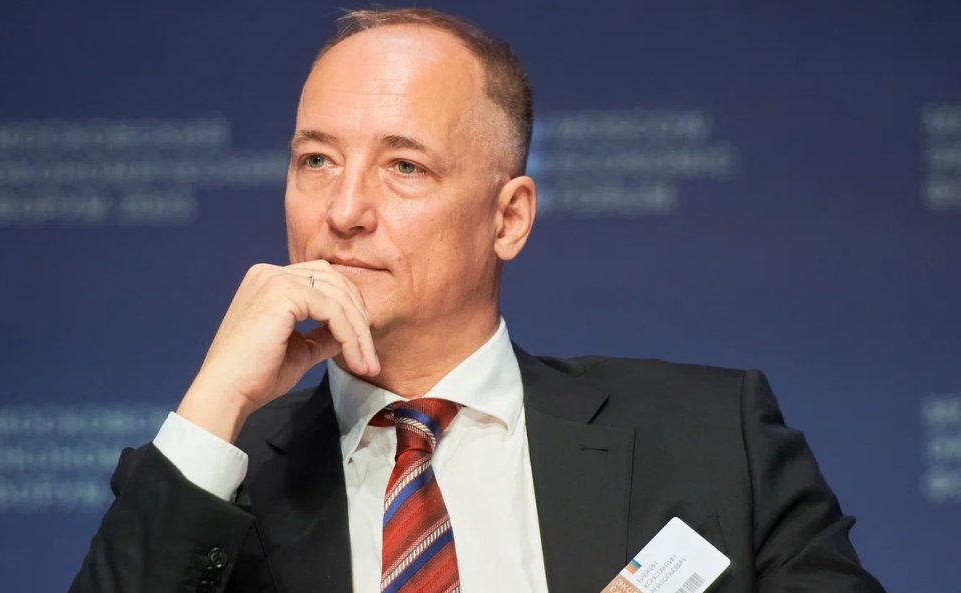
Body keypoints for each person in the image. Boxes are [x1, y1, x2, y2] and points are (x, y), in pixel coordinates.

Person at [70, 8, 885, 593]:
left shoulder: (712, 439)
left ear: (509, 218)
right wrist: (217, 400)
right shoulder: (212, 482)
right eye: (316, 160)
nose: (344, 211)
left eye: (404, 166)